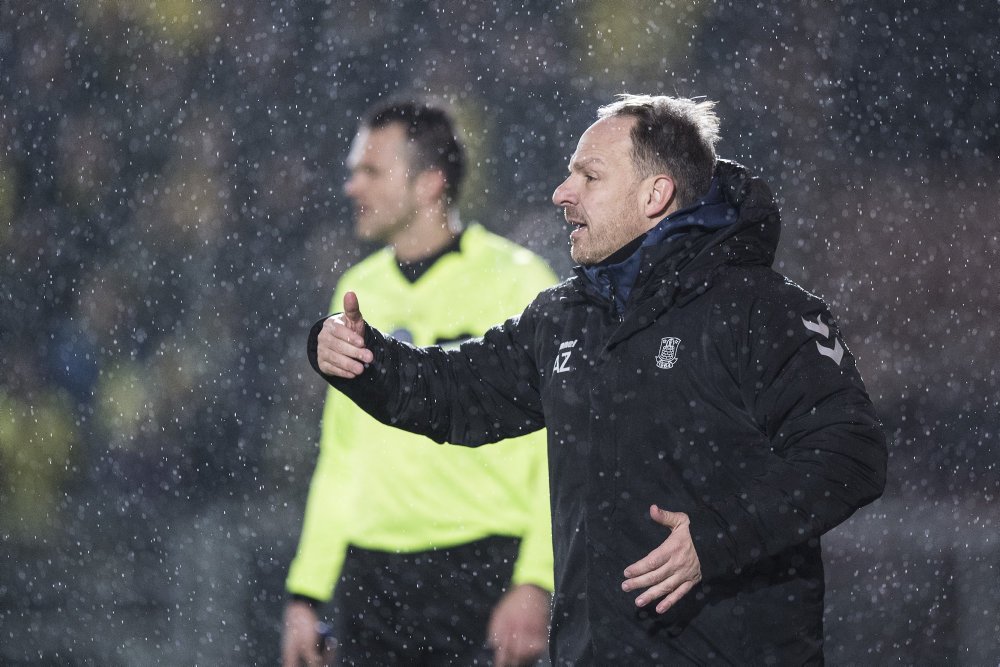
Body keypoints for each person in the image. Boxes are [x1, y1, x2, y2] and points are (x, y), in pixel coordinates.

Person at [309, 93, 888, 665]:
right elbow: (459, 392)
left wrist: (719, 538)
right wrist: (363, 357)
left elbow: (850, 451)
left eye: (589, 175)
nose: (563, 193)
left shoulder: (761, 309)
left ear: (655, 194)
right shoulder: (565, 317)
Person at [282, 100, 557, 667]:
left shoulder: (521, 283)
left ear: (430, 183)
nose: (351, 185)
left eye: (371, 171)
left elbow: (559, 446)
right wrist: (305, 593)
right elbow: (342, 452)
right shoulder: (357, 291)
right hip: (372, 577)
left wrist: (537, 580)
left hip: (483, 567)